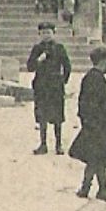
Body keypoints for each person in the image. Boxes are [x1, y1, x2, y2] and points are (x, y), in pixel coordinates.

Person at [68, 45, 106, 203]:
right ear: (103, 61)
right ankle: (97, 189)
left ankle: (89, 189)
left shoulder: (94, 77)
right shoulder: (94, 79)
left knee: (96, 158)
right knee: (97, 158)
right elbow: (89, 105)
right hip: (97, 126)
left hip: (98, 125)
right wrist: (94, 124)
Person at [26, 21, 72, 155]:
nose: (46, 35)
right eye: (43, 33)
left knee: (57, 116)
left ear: (54, 33)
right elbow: (30, 67)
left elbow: (67, 66)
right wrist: (38, 60)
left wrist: (63, 81)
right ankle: (43, 144)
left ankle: (58, 145)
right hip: (41, 85)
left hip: (55, 85)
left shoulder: (59, 48)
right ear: (39, 34)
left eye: (49, 32)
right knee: (42, 116)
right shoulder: (37, 49)